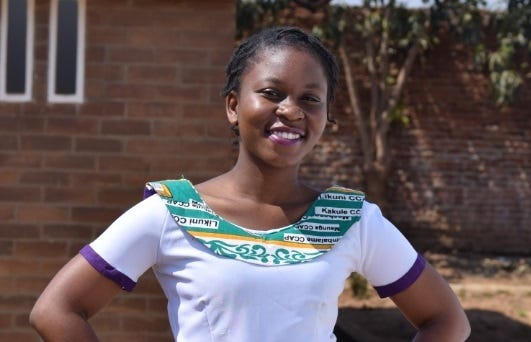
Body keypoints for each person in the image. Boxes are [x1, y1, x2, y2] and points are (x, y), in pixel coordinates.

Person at [30, 26, 470, 341]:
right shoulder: (173, 211)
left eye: (310, 99)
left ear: (326, 120)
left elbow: (447, 321)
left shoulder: (350, 220)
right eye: (273, 93)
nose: (291, 111)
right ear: (233, 106)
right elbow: (55, 311)